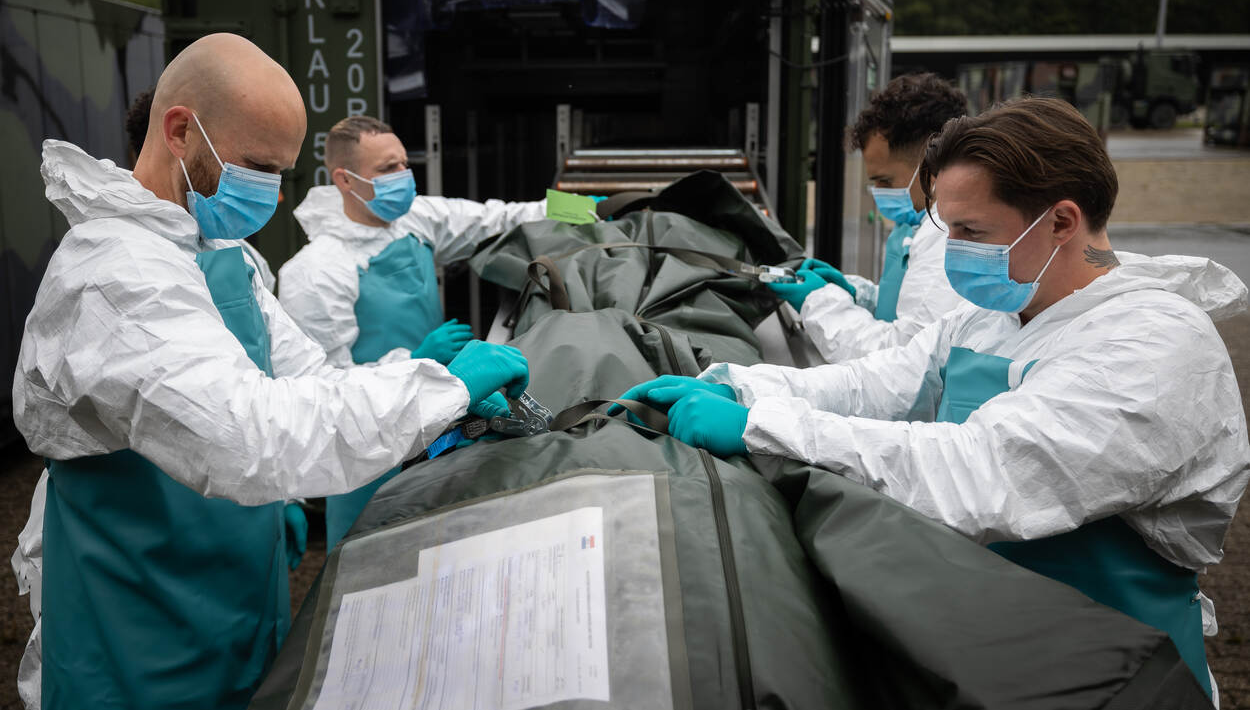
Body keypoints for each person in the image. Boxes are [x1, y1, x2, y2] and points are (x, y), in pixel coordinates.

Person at [620, 97, 1249, 699]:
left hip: (1117, 672)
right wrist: (740, 384)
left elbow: (985, 472)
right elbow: (875, 386)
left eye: (972, 231)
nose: (953, 253)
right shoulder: (991, 317)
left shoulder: (1152, 345)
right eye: (949, 229)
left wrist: (763, 427)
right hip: (987, 648)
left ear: (1061, 221)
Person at [11, 33, 529, 710]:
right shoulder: (113, 275)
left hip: (236, 600)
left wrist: (429, 382)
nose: (275, 196)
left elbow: (306, 377)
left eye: (282, 172)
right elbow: (250, 435)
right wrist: (441, 387)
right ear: (179, 131)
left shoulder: (221, 253)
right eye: (258, 167)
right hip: (139, 633)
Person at [277, 114, 556, 546]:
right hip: (368, 453)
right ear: (345, 180)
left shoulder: (415, 219)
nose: (403, 176)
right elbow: (319, 387)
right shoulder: (315, 272)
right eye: (387, 169)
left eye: (404, 164)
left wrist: (580, 209)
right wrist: (415, 360)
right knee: (370, 554)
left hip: (436, 423)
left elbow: (496, 219)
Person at [766, 73, 967, 362]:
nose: (878, 192)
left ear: (931, 165)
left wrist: (819, 302)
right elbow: (909, 310)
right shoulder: (918, 225)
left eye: (886, 181)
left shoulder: (946, 237)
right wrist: (856, 294)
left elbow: (900, 359)